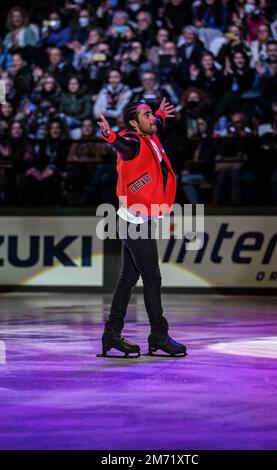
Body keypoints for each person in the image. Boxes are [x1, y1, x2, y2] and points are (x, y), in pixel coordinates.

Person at [97, 98, 187, 358]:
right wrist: (110, 136)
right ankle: (158, 336)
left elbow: (156, 121)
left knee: (128, 278)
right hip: (135, 223)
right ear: (134, 123)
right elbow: (123, 147)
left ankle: (111, 335)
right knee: (153, 278)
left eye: (151, 115)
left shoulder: (148, 129)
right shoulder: (133, 141)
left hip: (137, 219)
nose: (152, 119)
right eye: (147, 116)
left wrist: (160, 113)